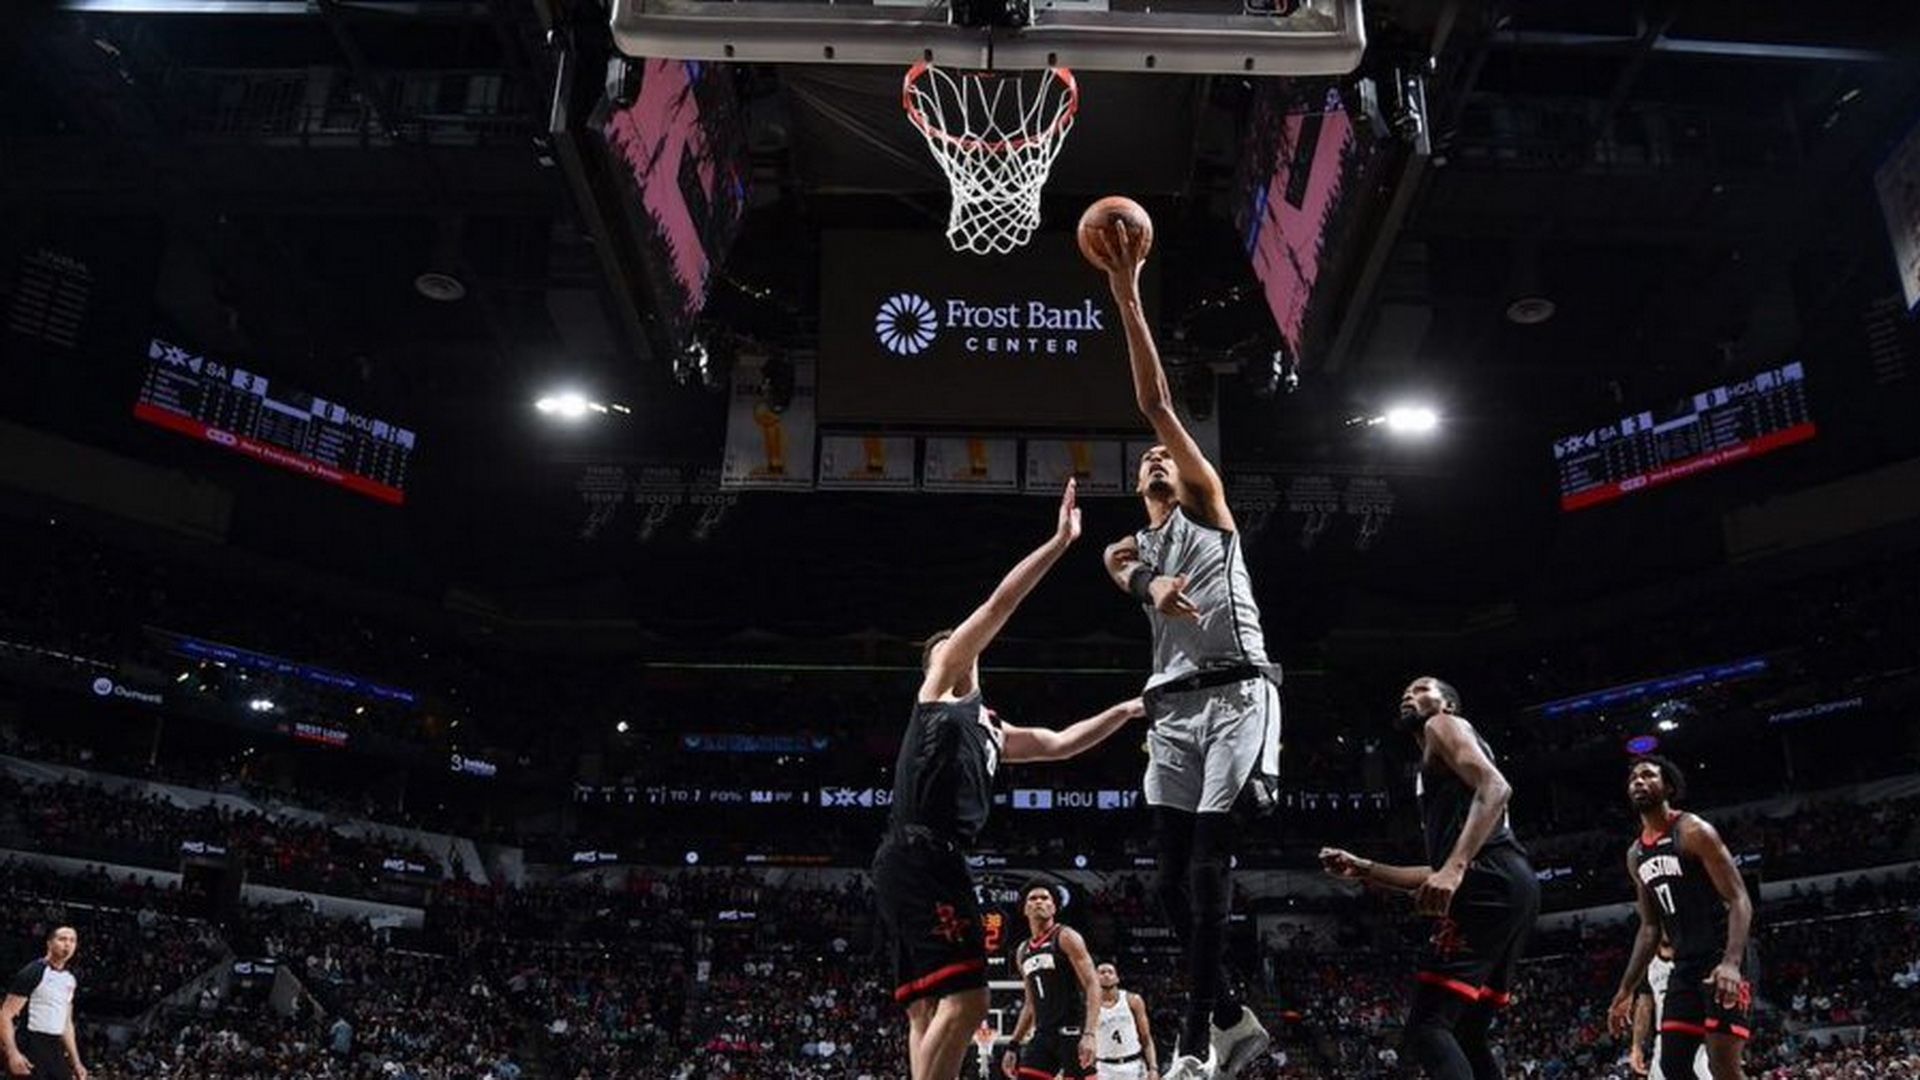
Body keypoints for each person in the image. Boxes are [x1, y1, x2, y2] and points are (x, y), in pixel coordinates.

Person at [1088, 214, 1279, 1080]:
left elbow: (1155, 405)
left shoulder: (1206, 505)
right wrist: (1150, 587)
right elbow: (1119, 568)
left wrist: (1126, 296)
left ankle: (1200, 1036)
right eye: (1146, 464)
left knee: (1205, 870)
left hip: (1237, 695)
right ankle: (1235, 1015)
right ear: (1135, 484)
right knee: (1164, 881)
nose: (1158, 461)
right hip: (1171, 713)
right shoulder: (1126, 547)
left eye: (1163, 458)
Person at [874, 479, 1148, 1080]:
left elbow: (1063, 742)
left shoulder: (993, 728)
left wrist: (1128, 709)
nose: (959, 644)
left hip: (916, 858)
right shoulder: (939, 692)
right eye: (950, 644)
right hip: (923, 852)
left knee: (925, 1008)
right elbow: (999, 605)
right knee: (969, 1000)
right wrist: (1059, 543)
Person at [1319, 677, 1539, 1080]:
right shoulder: (1441, 764)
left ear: (1448, 705)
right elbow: (1436, 873)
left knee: (1427, 1028)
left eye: (1422, 689)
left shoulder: (1442, 724)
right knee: (1467, 1033)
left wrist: (1456, 868)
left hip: (1488, 876)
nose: (1409, 694)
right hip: (1508, 881)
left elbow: (1496, 787)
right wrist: (1366, 868)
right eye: (1406, 691)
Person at [1607, 756, 1755, 1080]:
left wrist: (1732, 963)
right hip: (1685, 965)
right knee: (1672, 1066)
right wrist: (1626, 989)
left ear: (1669, 787)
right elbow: (1649, 928)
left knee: (1722, 1066)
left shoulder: (1693, 832)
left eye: (1648, 775)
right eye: (1633, 778)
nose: (1638, 781)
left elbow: (1739, 898)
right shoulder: (1636, 855)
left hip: (1721, 958)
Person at [1004, 884, 1099, 1080]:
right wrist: (1013, 1044)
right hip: (1042, 1035)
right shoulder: (1023, 951)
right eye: (1033, 898)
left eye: (1045, 898)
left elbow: (1092, 984)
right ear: (1025, 909)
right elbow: (1030, 1003)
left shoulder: (1065, 937)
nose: (1039, 902)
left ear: (1054, 908)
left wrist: (1089, 1034)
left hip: (1072, 1032)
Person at [0, 926, 87, 1080]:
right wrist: (12, 1053)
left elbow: (66, 1024)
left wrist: (76, 1062)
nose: (67, 944)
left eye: (72, 940)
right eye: (62, 939)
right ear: (49, 943)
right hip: (30, 1043)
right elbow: (5, 1014)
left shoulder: (70, 979)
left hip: (54, 1046)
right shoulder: (34, 971)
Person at [1630, 933, 1711, 1079]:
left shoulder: (1694, 957)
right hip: (1664, 1038)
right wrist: (1636, 1046)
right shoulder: (1649, 964)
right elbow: (1644, 1007)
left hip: (1697, 1037)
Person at [1092, 961, 1158, 1080]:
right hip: (1104, 1068)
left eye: (1110, 972)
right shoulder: (1090, 1006)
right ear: (1095, 979)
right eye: (1102, 972)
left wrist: (1153, 1068)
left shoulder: (1133, 1000)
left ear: (1117, 978)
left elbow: (1146, 1038)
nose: (1106, 975)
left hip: (1134, 1065)